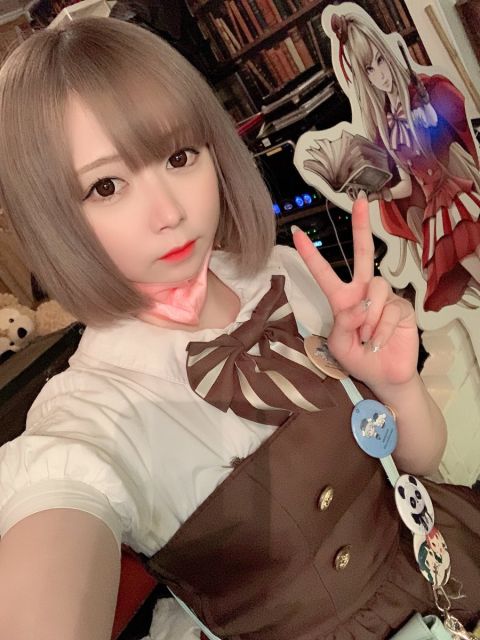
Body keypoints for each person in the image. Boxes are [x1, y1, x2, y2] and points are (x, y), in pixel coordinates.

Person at [0, 17, 478, 640]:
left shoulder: (283, 272)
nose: (170, 212)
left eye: (179, 156)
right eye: (106, 185)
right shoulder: (95, 415)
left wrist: (398, 386)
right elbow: (56, 528)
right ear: (51, 216)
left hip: (447, 569)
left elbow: (419, 460)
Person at [330, 11, 480, 313]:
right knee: (467, 260)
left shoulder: (425, 95)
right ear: (364, 77)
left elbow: (445, 130)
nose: (380, 74)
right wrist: (376, 194)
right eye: (369, 69)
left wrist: (424, 105)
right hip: (436, 208)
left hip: (456, 190)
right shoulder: (386, 130)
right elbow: (406, 186)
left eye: (380, 61)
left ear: (389, 55)